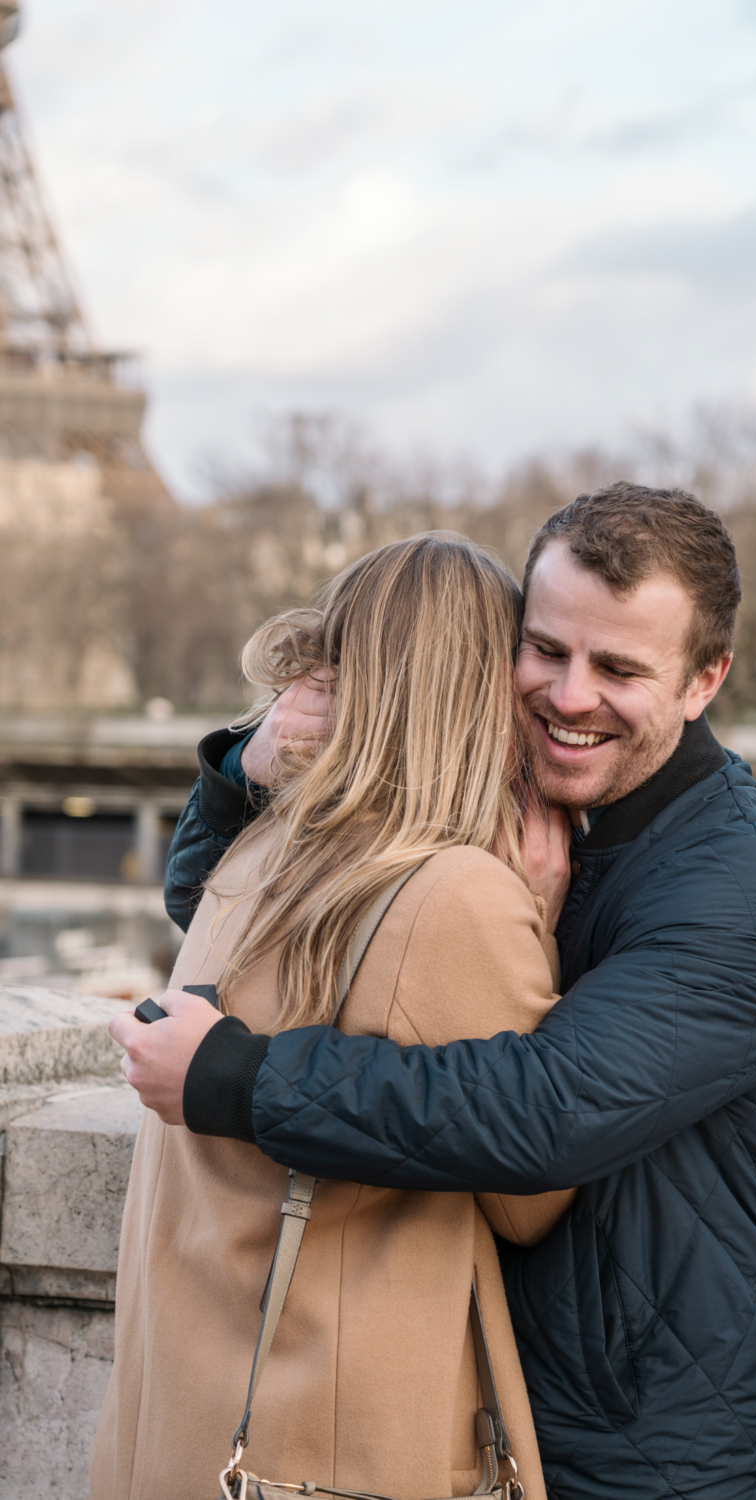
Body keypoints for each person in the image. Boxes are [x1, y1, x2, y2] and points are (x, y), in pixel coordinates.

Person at [117, 483, 756, 1500]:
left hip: (643, 1461)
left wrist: (238, 1078)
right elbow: (246, 920)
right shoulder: (516, 808)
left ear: (703, 679)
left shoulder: (744, 892)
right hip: (489, 1420)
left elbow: (545, 1114)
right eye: (546, 650)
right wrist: (247, 768)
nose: (571, 695)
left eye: (619, 668)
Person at [96, 534, 576, 1500]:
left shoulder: (256, 856)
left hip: (185, 1421)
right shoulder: (454, 896)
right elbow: (536, 1189)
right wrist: (542, 917)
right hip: (328, 1443)